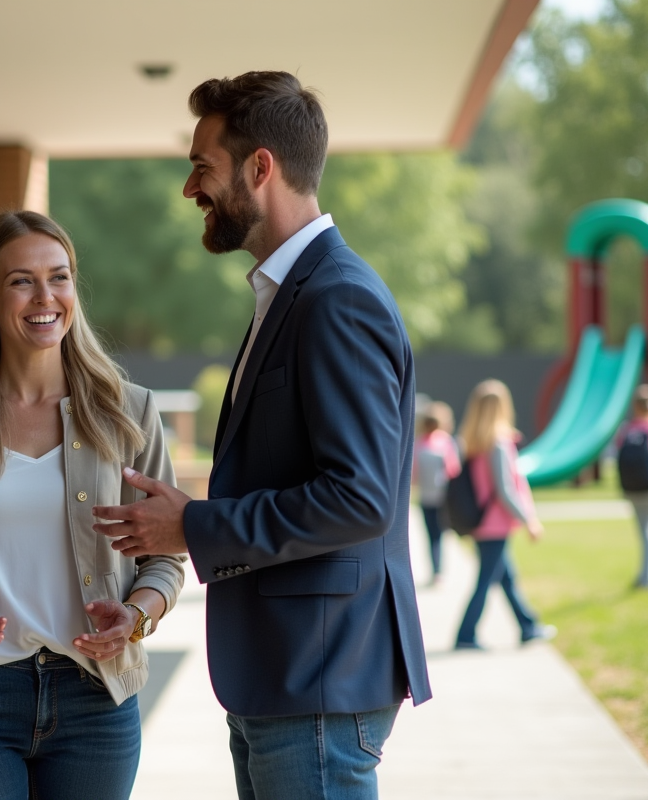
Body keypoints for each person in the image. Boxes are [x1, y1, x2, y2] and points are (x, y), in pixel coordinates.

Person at [91, 71, 431, 800]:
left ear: (260, 167)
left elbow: (360, 498)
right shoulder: (292, 292)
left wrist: (194, 526)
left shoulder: (336, 299)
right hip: (285, 679)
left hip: (317, 683)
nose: (190, 188)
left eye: (202, 166)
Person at [0, 210, 187, 800]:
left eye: (59, 277)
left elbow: (165, 555)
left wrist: (137, 616)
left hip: (95, 701)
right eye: (21, 281)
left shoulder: (129, 412)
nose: (44, 296)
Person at [453, 379, 554, 650]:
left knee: (506, 578)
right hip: (495, 524)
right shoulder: (498, 443)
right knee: (486, 580)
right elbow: (506, 489)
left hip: (481, 522)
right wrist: (529, 520)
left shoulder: (473, 443)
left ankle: (528, 626)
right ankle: (465, 635)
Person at [413, 401, 461, 583]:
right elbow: (453, 470)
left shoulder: (419, 444)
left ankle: (436, 570)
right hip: (443, 496)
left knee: (431, 535)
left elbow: (414, 475)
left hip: (426, 497)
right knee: (440, 534)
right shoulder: (446, 442)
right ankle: (439, 570)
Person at [616, 383, 648, 589]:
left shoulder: (627, 430)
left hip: (633, 489)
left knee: (644, 532)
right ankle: (646, 577)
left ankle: (645, 575)